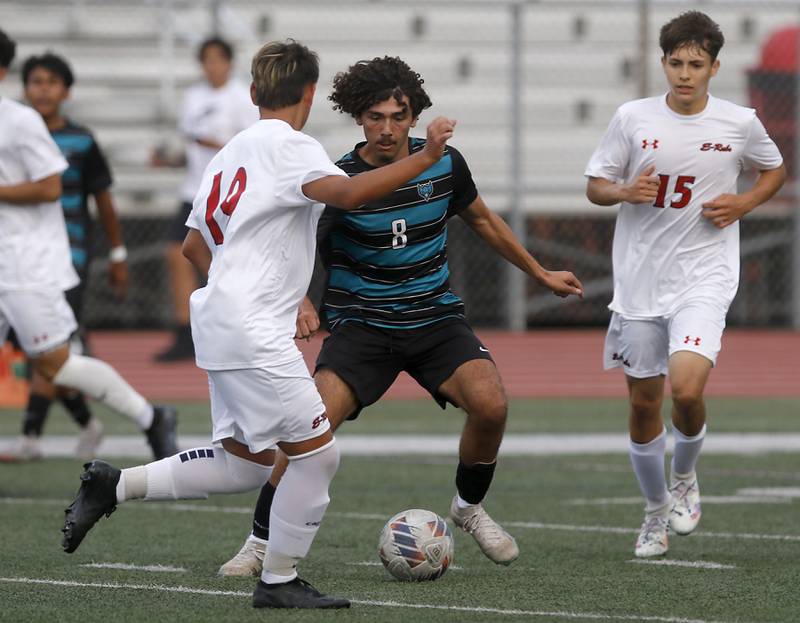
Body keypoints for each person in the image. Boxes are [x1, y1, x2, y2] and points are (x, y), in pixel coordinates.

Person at [61, 40, 458, 610]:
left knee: (244, 463)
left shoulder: (230, 152)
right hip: (251, 326)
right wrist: (425, 157)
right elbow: (346, 193)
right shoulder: (291, 146)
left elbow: (193, 245)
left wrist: (261, 285)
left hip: (220, 319)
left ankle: (114, 484)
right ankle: (277, 581)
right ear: (309, 95)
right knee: (317, 456)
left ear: (252, 94)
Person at [218, 55, 584, 577]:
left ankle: (468, 508)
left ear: (415, 117)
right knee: (306, 430)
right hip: (362, 326)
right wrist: (300, 298)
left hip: (434, 318)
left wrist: (541, 273)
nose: (386, 128)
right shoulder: (337, 178)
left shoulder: (445, 163)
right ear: (358, 118)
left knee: (492, 405)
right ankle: (258, 544)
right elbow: (293, 245)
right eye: (374, 117)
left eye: (398, 116)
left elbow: (482, 219)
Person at [584, 11, 785, 558]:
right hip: (641, 283)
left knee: (688, 389)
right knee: (645, 405)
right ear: (664, 62)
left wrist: (744, 202)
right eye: (676, 62)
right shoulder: (632, 117)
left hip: (705, 276)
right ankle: (654, 515)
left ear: (715, 67)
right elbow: (596, 186)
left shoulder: (739, 122)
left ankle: (685, 477)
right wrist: (624, 192)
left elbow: (773, 169)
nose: (685, 73)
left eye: (696, 64)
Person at [0, 30, 178, 461]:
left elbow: (49, 187)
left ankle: (151, 417)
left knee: (57, 364)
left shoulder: (19, 121)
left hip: (27, 266)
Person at [5, 52, 130, 461]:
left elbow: (104, 199)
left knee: (49, 350)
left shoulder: (82, 140)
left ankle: (30, 436)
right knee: (45, 354)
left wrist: (117, 252)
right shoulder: (12, 130)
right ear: (23, 86)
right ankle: (88, 423)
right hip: (18, 259)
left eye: (52, 82)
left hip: (66, 257)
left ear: (66, 91)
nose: (43, 89)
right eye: (36, 81)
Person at [154, 36, 257, 362]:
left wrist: (213, 143)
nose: (212, 66)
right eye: (207, 60)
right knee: (177, 254)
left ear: (229, 62)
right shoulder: (193, 96)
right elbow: (192, 149)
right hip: (194, 190)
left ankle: (237, 326)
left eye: (218, 59)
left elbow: (249, 147)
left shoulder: (241, 98)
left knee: (232, 261)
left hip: (227, 194)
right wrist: (170, 161)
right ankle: (185, 331)